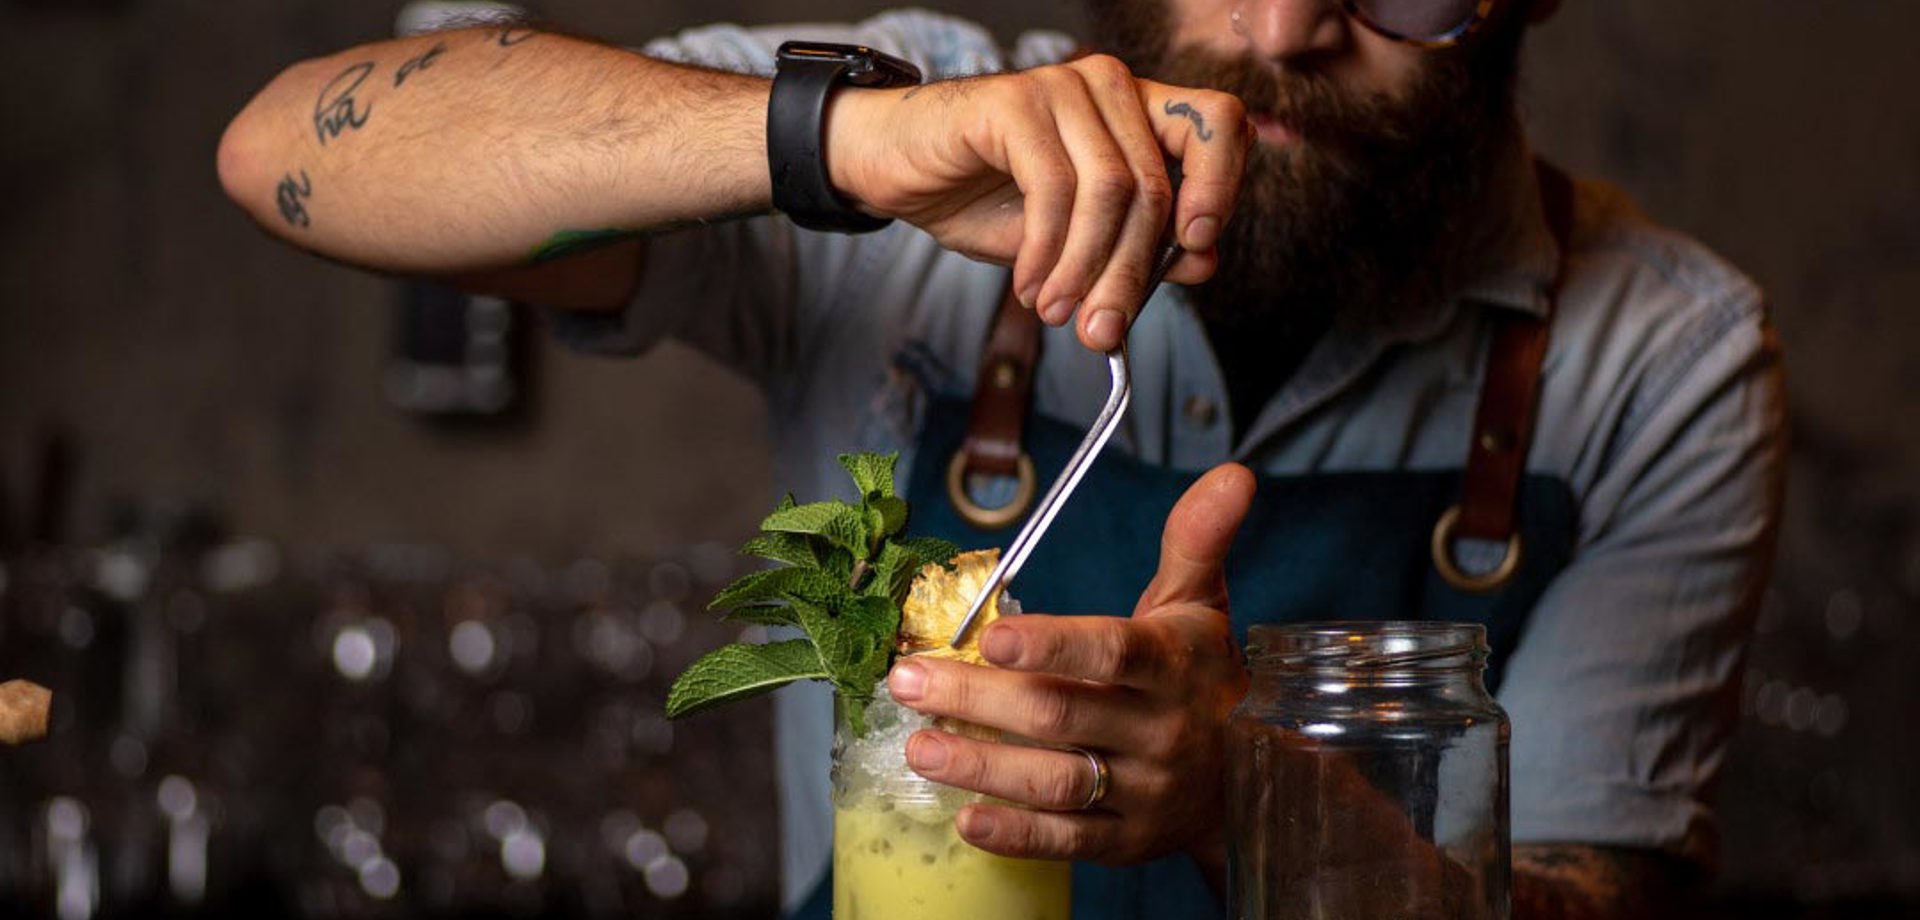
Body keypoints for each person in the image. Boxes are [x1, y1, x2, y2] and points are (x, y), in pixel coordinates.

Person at [216, 0, 1786, 916]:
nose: (1292, 23)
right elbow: (287, 150)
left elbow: (1605, 903)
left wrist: (1256, 797)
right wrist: (836, 148)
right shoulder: (916, 133)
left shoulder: (1663, 357)